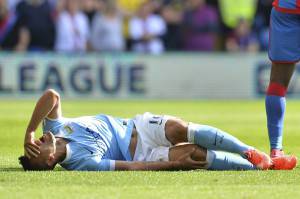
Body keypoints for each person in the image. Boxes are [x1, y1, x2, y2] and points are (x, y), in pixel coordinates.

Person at [19, 89, 297, 171]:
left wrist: (29, 131)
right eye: (36, 149)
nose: (39, 141)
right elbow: (129, 168)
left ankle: (250, 152)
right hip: (142, 154)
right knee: (195, 155)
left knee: (179, 128)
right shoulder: (80, 162)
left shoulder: (54, 127)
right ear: (50, 159)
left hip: (137, 126)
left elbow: (52, 96)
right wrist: (175, 166)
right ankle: (263, 167)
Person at [266, 0, 300, 158]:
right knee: (278, 82)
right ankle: (276, 148)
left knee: (278, 81)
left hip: (288, 8)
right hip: (288, 9)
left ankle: (276, 149)